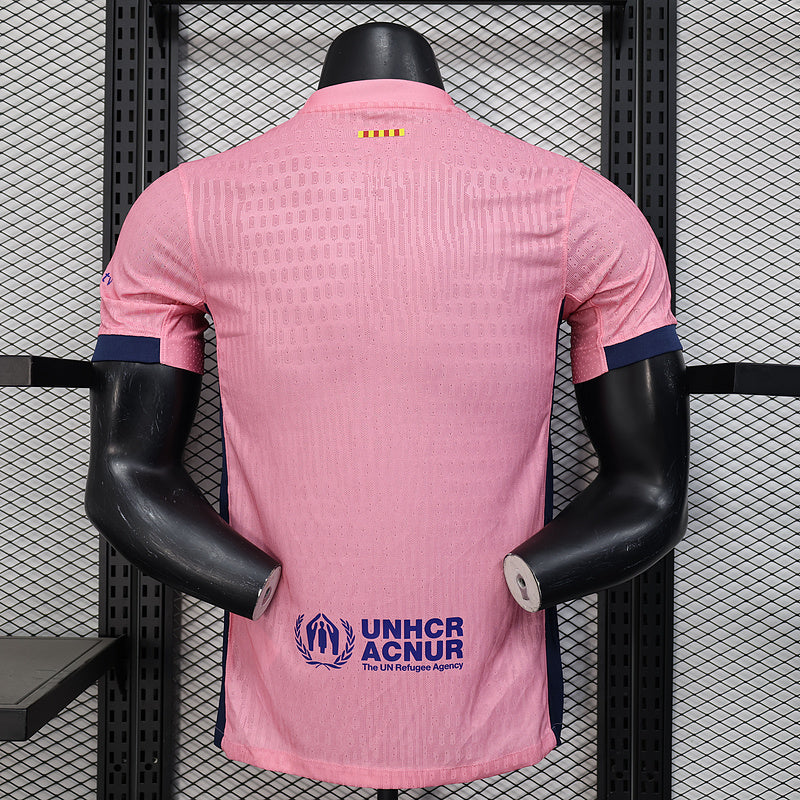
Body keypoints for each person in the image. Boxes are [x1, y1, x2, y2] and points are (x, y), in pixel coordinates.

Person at [86, 22, 688, 790]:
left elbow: (124, 474)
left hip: (350, 648)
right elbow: (651, 486)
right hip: (431, 649)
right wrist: (536, 574)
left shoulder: (185, 205)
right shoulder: (582, 204)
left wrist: (248, 583)